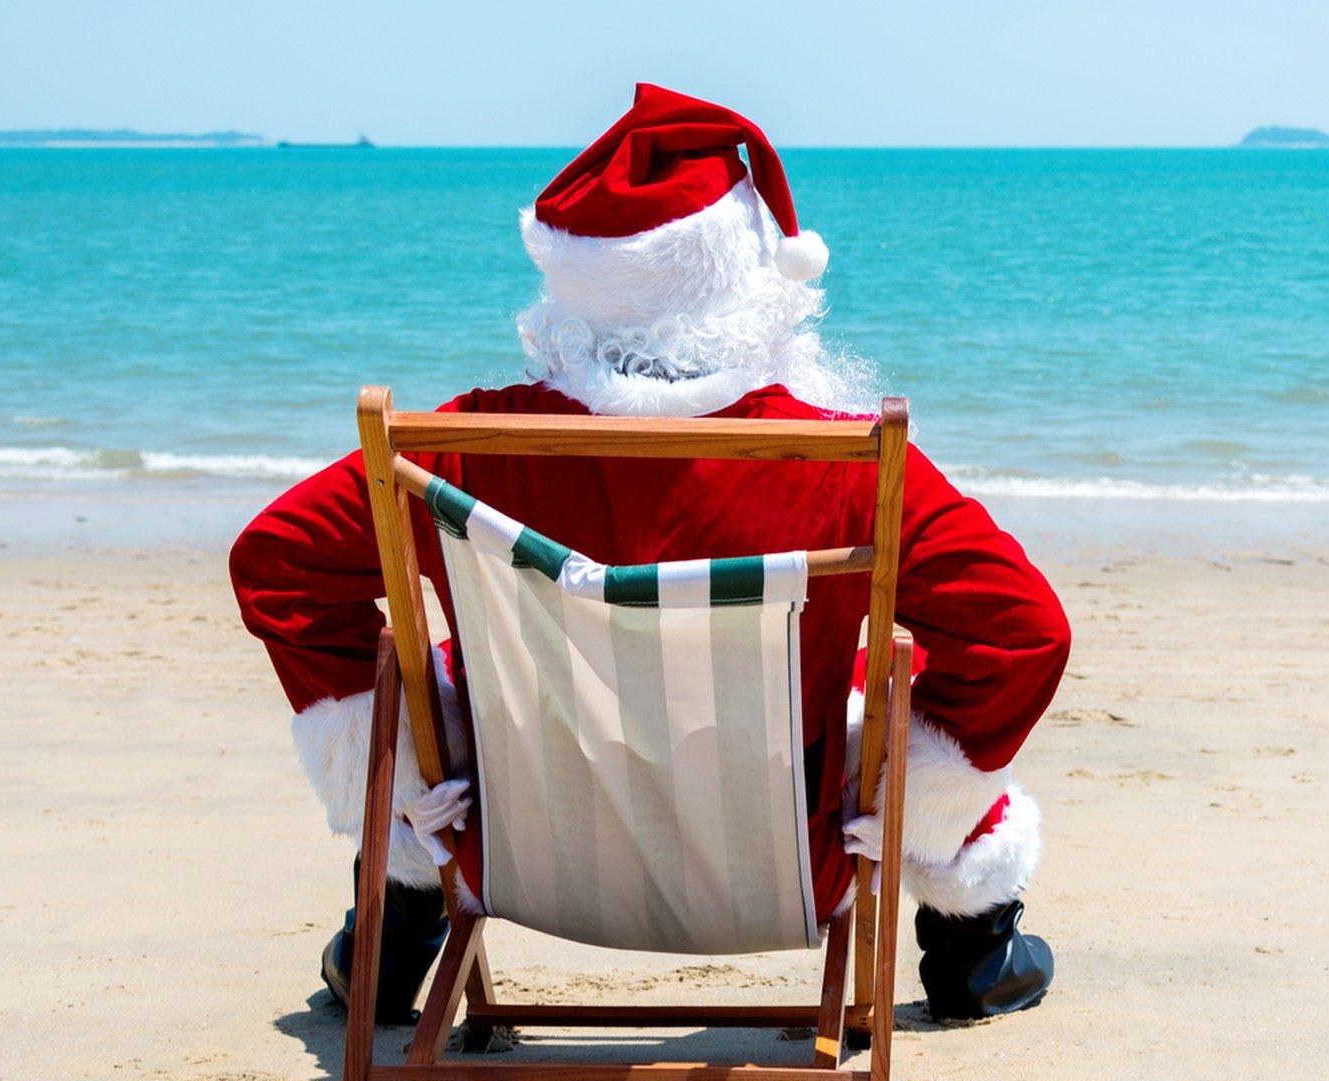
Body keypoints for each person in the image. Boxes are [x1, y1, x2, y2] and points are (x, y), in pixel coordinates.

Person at [229, 83, 1068, 1024]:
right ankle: (974, 960)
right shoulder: (846, 465)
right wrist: (920, 788)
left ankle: (389, 937)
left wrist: (418, 776)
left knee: (449, 692)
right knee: (878, 686)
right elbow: (1025, 634)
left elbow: (277, 561)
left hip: (512, 850)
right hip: (794, 862)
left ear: (575, 287)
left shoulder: (464, 444)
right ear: (751, 280)